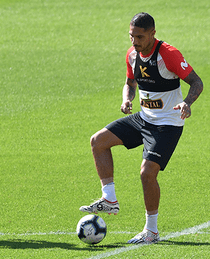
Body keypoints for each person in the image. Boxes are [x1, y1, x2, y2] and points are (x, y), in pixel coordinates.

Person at [80, 12, 203, 244]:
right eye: (131, 36)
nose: (134, 41)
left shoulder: (169, 54)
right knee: (98, 141)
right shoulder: (132, 54)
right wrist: (127, 99)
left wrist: (187, 103)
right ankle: (109, 199)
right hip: (144, 118)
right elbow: (130, 83)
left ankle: (152, 231)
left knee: (147, 173)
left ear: (152, 34)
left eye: (139, 36)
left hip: (167, 123)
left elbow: (197, 82)